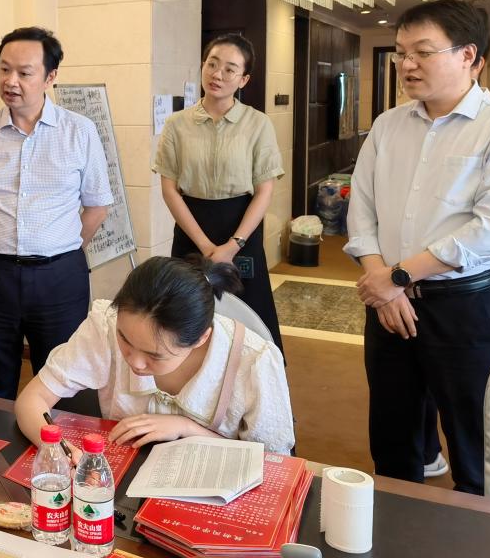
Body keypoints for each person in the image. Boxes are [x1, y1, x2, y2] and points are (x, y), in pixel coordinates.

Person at [346, 0, 490, 494]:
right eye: (401, 52)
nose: (407, 64)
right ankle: (395, 520)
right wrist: (384, 283)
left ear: (469, 56)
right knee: (392, 432)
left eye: (422, 52)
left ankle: (478, 530)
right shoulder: (388, 125)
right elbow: (361, 209)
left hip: (462, 306)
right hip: (387, 303)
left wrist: (397, 277)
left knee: (473, 440)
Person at [0, 26, 113, 399]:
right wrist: (5, 237)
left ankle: (55, 441)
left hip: (60, 277)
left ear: (50, 76)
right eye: (4, 69)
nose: (11, 81)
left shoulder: (79, 131)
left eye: (24, 73)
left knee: (63, 380)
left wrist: (60, 244)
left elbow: (98, 205)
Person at [15, 256, 294, 455]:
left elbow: (275, 462)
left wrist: (187, 429)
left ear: (201, 338)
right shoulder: (106, 325)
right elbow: (32, 399)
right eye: (125, 340)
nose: (135, 362)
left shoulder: (253, 360)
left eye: (155, 356)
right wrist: (59, 451)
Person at [154, 34, 285, 351]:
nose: (217, 75)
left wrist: (232, 245)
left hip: (241, 231)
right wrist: (205, 247)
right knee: (187, 316)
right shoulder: (176, 124)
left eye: (229, 69)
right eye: (212, 64)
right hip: (191, 230)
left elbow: (264, 190)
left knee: (248, 316)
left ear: (244, 79)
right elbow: (170, 190)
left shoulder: (258, 124)